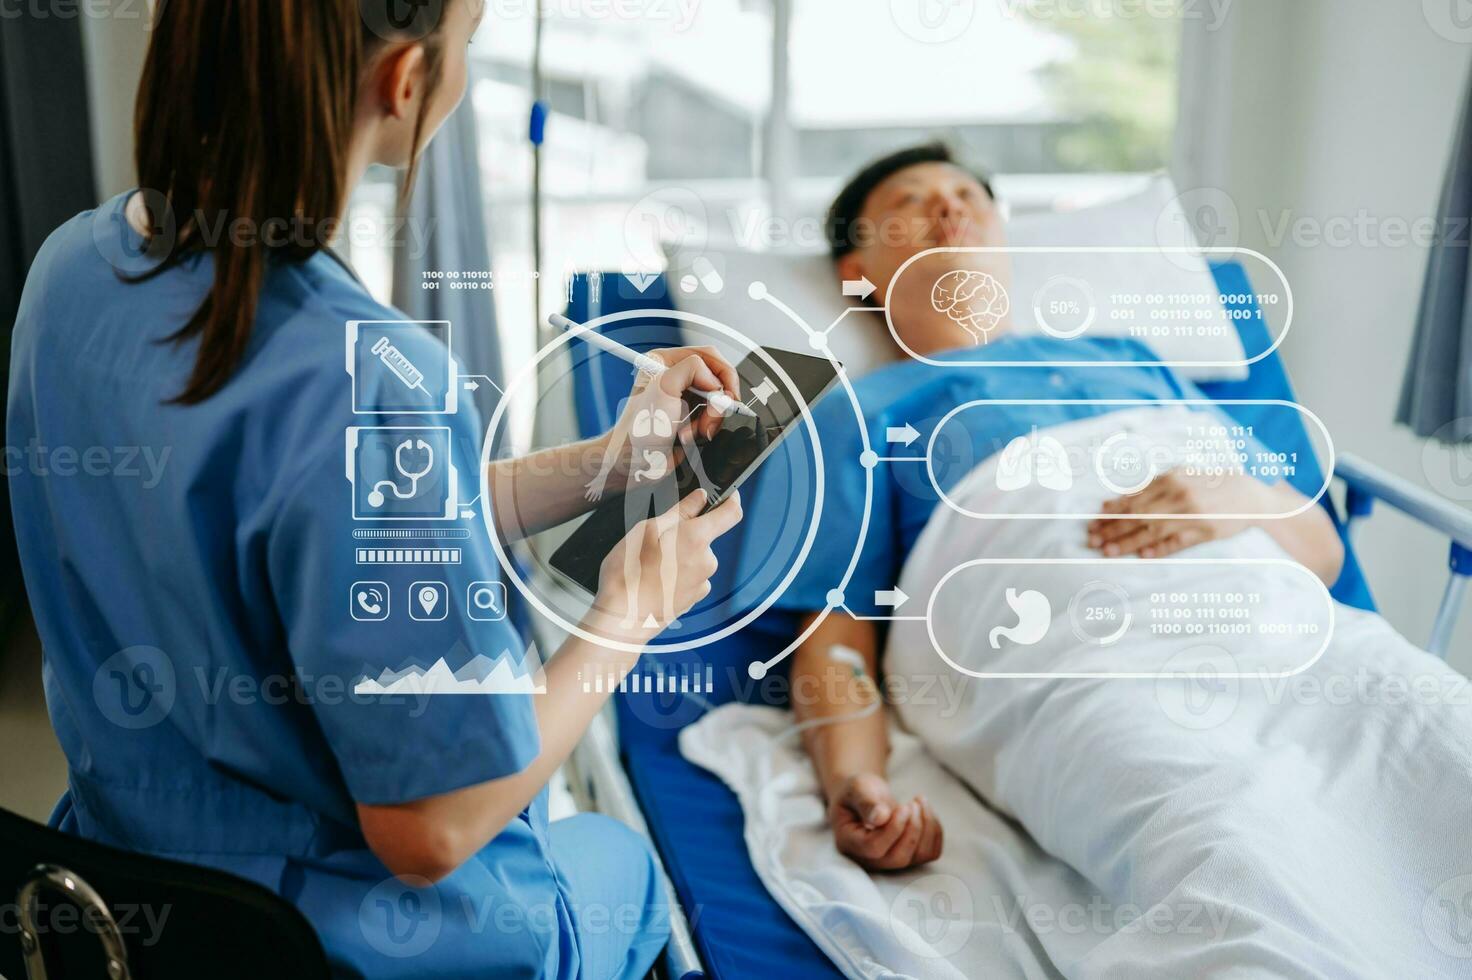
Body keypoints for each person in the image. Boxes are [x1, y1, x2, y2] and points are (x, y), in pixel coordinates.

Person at [6, 2, 742, 977]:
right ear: (403, 82)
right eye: (466, 47)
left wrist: (602, 464)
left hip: (126, 903)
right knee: (625, 864)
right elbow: (432, 828)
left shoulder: (69, 270)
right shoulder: (365, 372)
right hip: (331, 944)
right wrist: (627, 614)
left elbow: (327, 521)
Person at [778, 142, 1344, 873]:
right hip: (1085, 665)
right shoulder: (858, 413)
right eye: (910, 201)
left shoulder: (1132, 357)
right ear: (857, 274)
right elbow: (837, 639)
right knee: (1228, 848)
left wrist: (1247, 497)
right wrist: (855, 782)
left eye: (969, 196)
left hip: (1289, 640)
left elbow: (1325, 557)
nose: (950, 206)